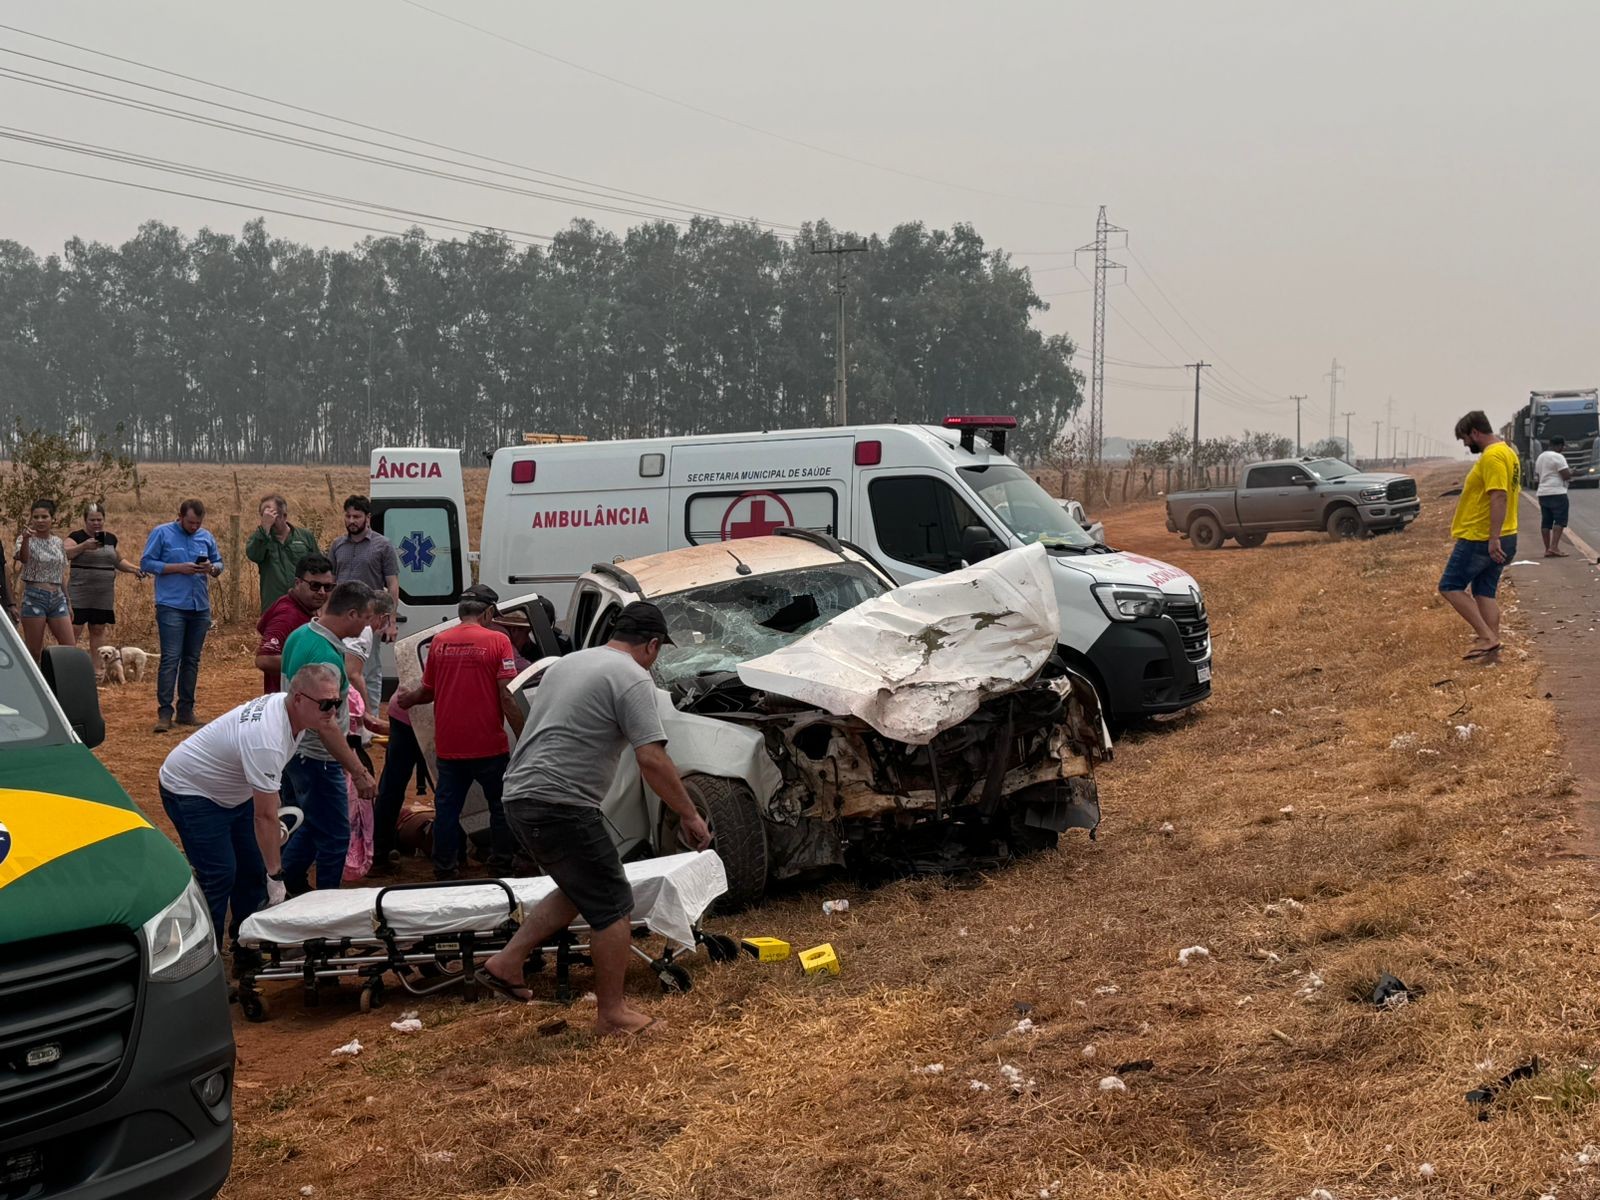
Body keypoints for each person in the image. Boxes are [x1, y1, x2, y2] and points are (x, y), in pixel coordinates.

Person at [480, 602, 711, 1035]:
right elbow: (652, 758)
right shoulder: (632, 677)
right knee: (614, 904)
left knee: (579, 887)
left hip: (520, 796)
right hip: (559, 802)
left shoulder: (568, 663)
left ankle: (506, 963)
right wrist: (690, 815)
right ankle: (613, 1014)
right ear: (653, 645)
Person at [157, 663, 345, 945]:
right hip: (190, 790)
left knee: (251, 868)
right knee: (219, 874)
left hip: (232, 791)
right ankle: (203, 956)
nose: (333, 712)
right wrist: (277, 876)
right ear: (298, 699)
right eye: (326, 704)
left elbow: (268, 795)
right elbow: (265, 817)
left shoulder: (293, 714)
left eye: (337, 703)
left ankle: (246, 941)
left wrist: (267, 869)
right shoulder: (267, 738)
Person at [392, 591, 526, 879]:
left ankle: (445, 868)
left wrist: (409, 700)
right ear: (489, 613)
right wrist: (524, 733)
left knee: (447, 809)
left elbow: (428, 690)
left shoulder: (440, 642)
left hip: (450, 746)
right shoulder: (498, 641)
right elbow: (507, 694)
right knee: (500, 807)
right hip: (489, 744)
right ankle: (501, 863)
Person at [276, 582, 379, 893]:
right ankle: (325, 906)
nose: (367, 625)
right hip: (317, 756)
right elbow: (326, 725)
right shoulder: (326, 658)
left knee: (313, 822)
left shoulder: (302, 634)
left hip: (296, 748)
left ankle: (286, 882)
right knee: (335, 836)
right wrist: (359, 772)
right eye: (366, 618)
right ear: (351, 613)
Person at [1439, 410, 1520, 662]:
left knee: (1450, 586)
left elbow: (1499, 496)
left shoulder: (1493, 456)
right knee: (1484, 591)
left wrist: (1492, 538)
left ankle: (1487, 637)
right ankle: (1491, 653)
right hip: (1505, 534)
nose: (1465, 444)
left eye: (1465, 438)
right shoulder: (1508, 452)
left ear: (1475, 432)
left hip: (1481, 537)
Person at [142, 498, 224, 733]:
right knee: (171, 659)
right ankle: (165, 713)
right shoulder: (162, 533)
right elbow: (147, 562)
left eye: (198, 523)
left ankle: (186, 711)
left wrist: (212, 568)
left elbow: (219, 562)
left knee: (192, 660)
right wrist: (178, 568)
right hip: (171, 605)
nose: (194, 527)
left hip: (199, 606)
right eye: (190, 522)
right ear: (180, 516)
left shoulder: (205, 537)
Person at [329, 495, 399, 708]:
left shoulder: (382, 545)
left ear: (367, 517)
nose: (351, 521)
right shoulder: (337, 546)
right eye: (348, 516)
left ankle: (371, 717)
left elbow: (393, 584)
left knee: (369, 670)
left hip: (370, 618)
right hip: (340, 616)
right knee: (339, 667)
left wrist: (391, 621)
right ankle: (346, 716)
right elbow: (331, 582)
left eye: (357, 516)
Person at [66, 503, 146, 662]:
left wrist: (136, 569)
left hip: (103, 594)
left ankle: (98, 670)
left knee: (98, 629)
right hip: (79, 592)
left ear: (104, 519)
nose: (96, 523)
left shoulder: (110, 538)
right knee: (74, 629)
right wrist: (83, 546)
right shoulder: (76, 537)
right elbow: (65, 554)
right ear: (85, 520)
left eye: (99, 519)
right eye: (92, 520)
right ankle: (67, 666)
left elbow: (117, 560)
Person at [255, 554, 335, 694]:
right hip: (289, 704)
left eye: (327, 587)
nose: (322, 592)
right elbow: (264, 659)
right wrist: (315, 665)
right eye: (315, 586)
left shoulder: (304, 608)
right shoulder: (288, 615)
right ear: (298, 583)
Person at [12, 499, 75, 663]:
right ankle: (34, 683)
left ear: (53, 519)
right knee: (34, 650)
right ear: (31, 519)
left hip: (57, 597)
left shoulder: (57, 542)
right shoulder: (24, 539)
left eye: (44, 517)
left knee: (69, 647)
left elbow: (60, 572)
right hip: (35, 597)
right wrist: (26, 539)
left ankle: (61, 684)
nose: (40, 521)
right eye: (36, 517)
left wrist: (68, 600)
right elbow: (24, 558)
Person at [245, 493, 320, 609]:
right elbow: (254, 555)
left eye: (273, 516)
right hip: (274, 607)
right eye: (264, 516)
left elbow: (318, 569)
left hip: (303, 606)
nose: (269, 521)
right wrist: (264, 531)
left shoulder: (304, 537)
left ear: (284, 516)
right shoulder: (260, 539)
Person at [1534, 435, 1573, 558]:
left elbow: (1539, 475)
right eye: (1563, 446)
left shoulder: (1540, 457)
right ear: (1558, 446)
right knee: (1560, 520)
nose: (1563, 449)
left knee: (1546, 521)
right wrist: (1571, 472)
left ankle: (1547, 549)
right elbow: (1566, 475)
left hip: (1543, 492)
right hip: (1557, 492)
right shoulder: (1558, 457)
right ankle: (1554, 547)